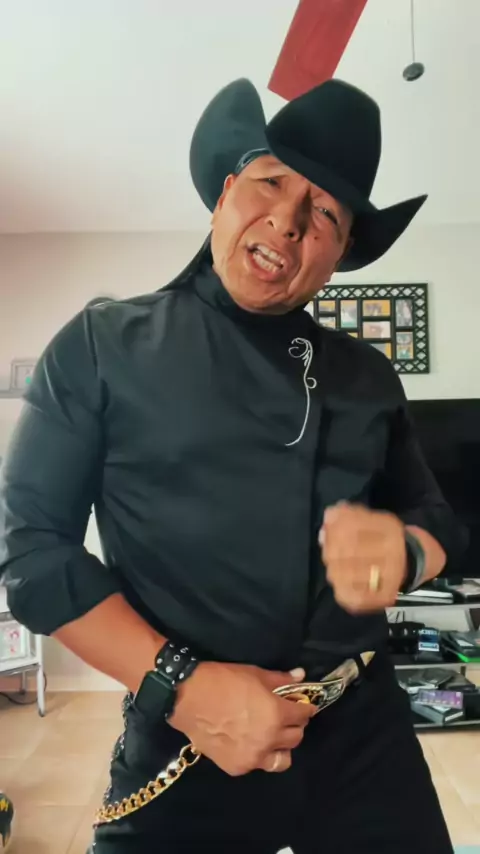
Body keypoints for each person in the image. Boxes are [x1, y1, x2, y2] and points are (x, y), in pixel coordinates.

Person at [0, 78, 466, 853]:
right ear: (224, 194)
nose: (287, 219)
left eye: (325, 213)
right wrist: (180, 687)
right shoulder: (101, 346)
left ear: (341, 254)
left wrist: (408, 552)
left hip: (365, 736)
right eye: (271, 181)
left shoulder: (368, 377)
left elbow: (439, 518)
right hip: (186, 732)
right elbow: (34, 554)